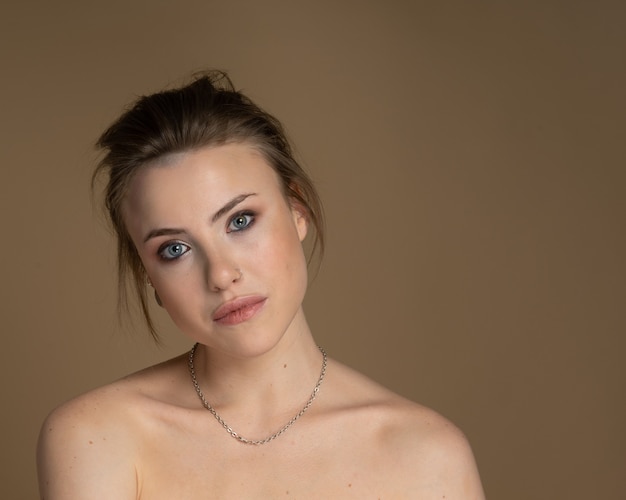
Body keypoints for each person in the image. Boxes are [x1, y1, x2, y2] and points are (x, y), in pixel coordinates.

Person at [37, 71, 485, 499]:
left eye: (240, 221)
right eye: (174, 249)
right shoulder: (96, 437)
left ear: (298, 211)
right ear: (146, 274)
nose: (221, 274)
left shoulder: (426, 456)